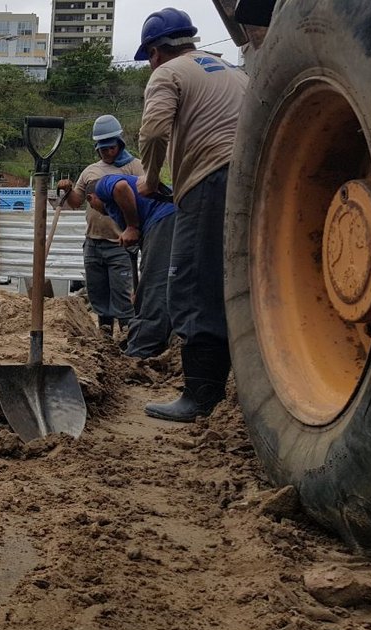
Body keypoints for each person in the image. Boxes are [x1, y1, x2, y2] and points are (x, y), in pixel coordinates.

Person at [134, 7, 248, 421]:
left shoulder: (168, 73)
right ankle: (239, 386)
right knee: (235, 283)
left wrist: (149, 179)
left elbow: (153, 130)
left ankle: (201, 397)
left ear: (154, 52)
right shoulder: (233, 70)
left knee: (192, 286)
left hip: (209, 180)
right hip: (254, 181)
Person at [57, 115, 145, 339]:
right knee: (99, 299)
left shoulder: (134, 167)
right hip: (93, 244)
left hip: (119, 245)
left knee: (123, 299)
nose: (108, 153)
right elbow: (77, 202)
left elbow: (144, 199)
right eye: (103, 149)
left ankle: (128, 341)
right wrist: (67, 190)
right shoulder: (90, 172)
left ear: (120, 143)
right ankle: (104, 340)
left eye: (111, 148)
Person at [89, 174, 175, 358]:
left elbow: (120, 187)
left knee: (156, 286)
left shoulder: (102, 185)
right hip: (177, 215)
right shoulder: (122, 210)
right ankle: (167, 339)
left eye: (93, 206)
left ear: (91, 199)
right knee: (169, 280)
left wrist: (132, 226)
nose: (99, 211)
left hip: (165, 218)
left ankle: (141, 350)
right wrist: (139, 290)